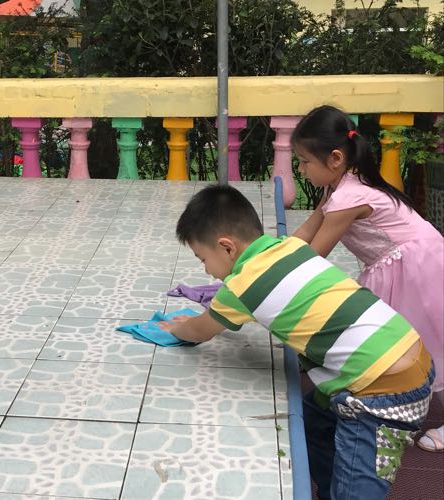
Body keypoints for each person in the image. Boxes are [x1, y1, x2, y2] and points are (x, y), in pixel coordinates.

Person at [159, 184, 434, 500]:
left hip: (381, 392)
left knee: (357, 491)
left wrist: (175, 329)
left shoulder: (241, 286)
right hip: (405, 351)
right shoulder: (289, 247)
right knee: (311, 421)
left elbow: (200, 331)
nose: (206, 270)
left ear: (227, 248)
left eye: (202, 259)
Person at [290, 105, 444, 453]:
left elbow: (312, 258)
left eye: (304, 161)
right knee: (393, 339)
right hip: (399, 266)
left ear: (334, 158)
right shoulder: (339, 187)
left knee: (433, 338)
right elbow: (304, 235)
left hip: (417, 267)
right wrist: (267, 257)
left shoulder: (349, 197)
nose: (301, 169)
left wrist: (265, 280)